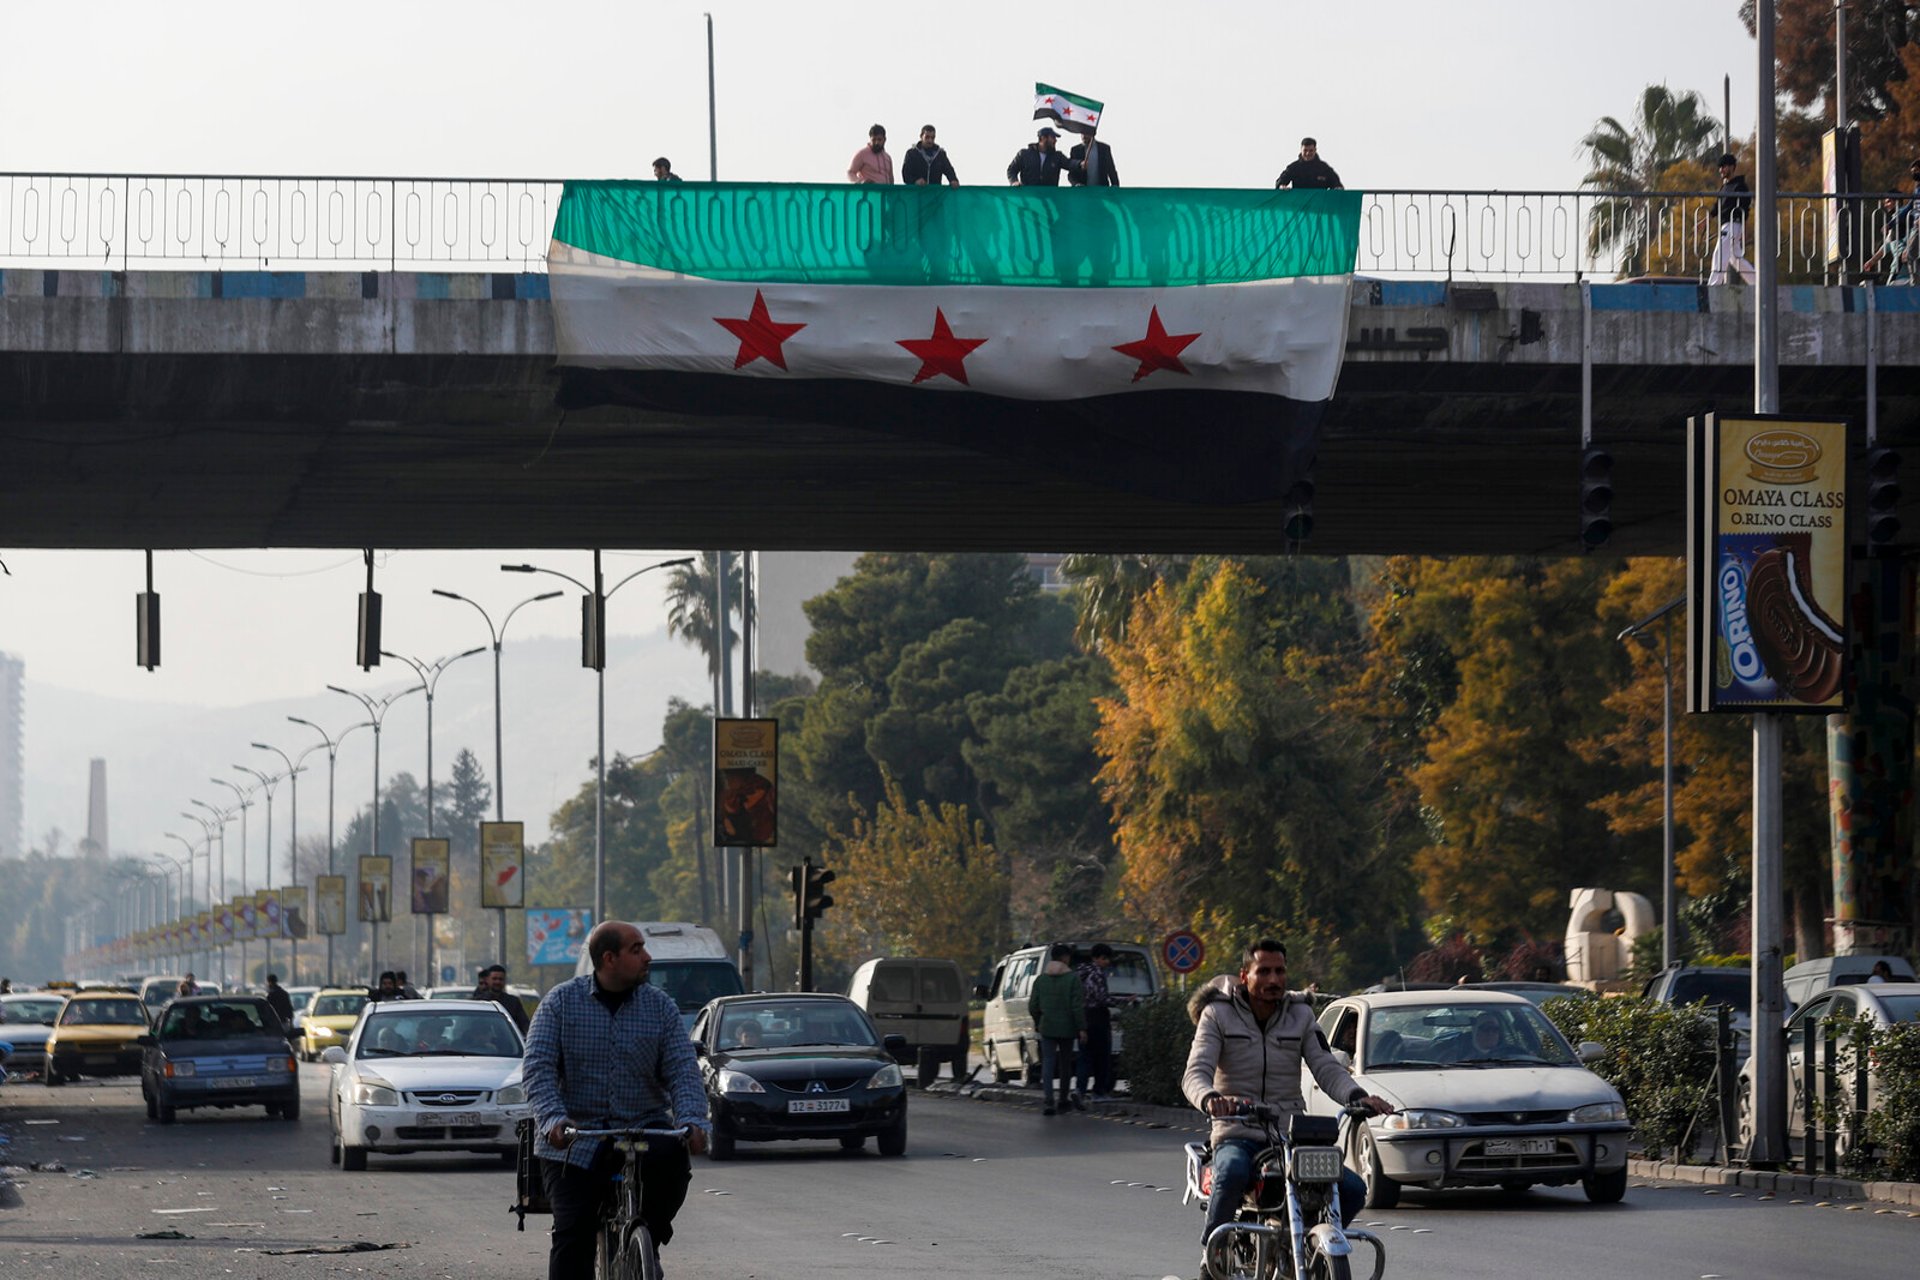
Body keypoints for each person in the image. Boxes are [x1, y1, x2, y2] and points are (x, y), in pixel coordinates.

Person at [1183, 939, 1393, 1269]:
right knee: (1231, 1171)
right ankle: (1213, 1257)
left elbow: (1326, 1066)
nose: (1274, 980)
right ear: (1245, 975)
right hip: (1238, 1131)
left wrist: (1357, 1096)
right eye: (1263, 971)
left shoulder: (1301, 1014)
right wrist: (1211, 1099)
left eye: (1280, 971)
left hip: (1290, 1136)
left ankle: (1309, 1249)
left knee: (1352, 1188)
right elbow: (1196, 1072)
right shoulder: (1217, 1014)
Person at [524, 921, 710, 1280]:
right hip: (577, 1138)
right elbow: (538, 1069)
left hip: (644, 1129)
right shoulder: (560, 1003)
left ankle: (646, 1244)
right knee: (573, 1234)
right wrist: (553, 1120)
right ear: (609, 959)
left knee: (673, 1167)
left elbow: (682, 1070)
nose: (647, 957)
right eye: (637, 949)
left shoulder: (660, 1007)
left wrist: (692, 1121)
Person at [1026, 943, 1086, 1115]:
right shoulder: (1072, 979)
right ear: (1065, 958)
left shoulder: (1041, 980)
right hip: (1067, 1027)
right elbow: (1077, 1006)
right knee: (1065, 1064)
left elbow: (1033, 1005)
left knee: (1048, 1062)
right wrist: (1081, 1027)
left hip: (1047, 1026)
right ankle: (1063, 1099)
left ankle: (1048, 1100)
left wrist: (1039, 1020)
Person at [1073, 943, 1116, 1103]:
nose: (1107, 962)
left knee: (1084, 1056)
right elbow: (1102, 998)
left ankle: (1080, 1089)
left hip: (1083, 1017)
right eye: (1104, 959)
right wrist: (1124, 1000)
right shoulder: (1097, 974)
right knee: (1102, 1057)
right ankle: (1099, 1091)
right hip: (1098, 1017)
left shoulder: (1079, 973)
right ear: (1097, 958)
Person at [1705, 154, 1756, 286]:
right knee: (1736, 259)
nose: (1721, 170)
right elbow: (1716, 207)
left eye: (1724, 167)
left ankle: (1713, 286)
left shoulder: (1740, 186)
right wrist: (1705, 220)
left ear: (1732, 167)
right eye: (1720, 167)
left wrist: (1743, 228)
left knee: (1720, 254)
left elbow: (1745, 208)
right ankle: (1758, 283)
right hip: (1726, 226)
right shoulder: (1724, 187)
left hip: (1733, 225)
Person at [473, 963, 532, 1036]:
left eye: (500, 979)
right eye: (494, 979)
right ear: (488, 980)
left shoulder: (513, 1002)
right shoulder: (478, 1002)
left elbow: (525, 1026)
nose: (497, 982)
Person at [1275, 137, 1342, 190]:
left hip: (1319, 205)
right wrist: (1281, 186)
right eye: (1305, 150)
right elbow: (1280, 182)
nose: (1308, 153)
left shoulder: (1324, 168)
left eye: (1311, 151)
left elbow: (1337, 184)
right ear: (1301, 150)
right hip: (1300, 205)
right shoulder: (1294, 167)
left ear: (1315, 150)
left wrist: (1337, 187)